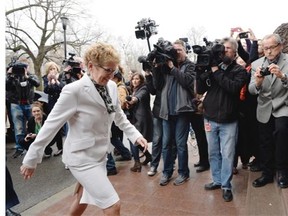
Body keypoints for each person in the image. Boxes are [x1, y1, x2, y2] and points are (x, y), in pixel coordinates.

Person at [20, 42, 148, 216]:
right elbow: (50, 125)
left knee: (81, 199)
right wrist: (31, 158)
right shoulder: (73, 91)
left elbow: (119, 116)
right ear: (90, 66)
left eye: (114, 71)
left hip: (100, 155)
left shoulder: (111, 87)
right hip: (81, 158)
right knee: (113, 205)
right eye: (107, 70)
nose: (111, 76)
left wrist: (135, 135)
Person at [197, 37, 247, 202]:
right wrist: (201, 72)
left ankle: (226, 185)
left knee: (227, 154)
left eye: (227, 48)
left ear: (234, 52)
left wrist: (216, 71)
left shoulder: (239, 71)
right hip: (210, 118)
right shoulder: (214, 67)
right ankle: (217, 180)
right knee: (213, 152)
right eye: (222, 49)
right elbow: (200, 88)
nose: (223, 51)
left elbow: (232, 88)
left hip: (229, 120)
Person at [248, 33, 288, 189]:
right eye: (266, 48)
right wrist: (258, 83)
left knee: (282, 133)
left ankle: (282, 172)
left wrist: (283, 76)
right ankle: (266, 174)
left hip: (283, 106)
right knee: (264, 141)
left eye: (272, 47)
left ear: (281, 46)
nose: (269, 51)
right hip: (264, 107)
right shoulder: (256, 64)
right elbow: (251, 90)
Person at [155, 39, 196, 186]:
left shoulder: (190, 65)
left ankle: (183, 173)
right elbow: (157, 86)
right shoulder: (166, 65)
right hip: (167, 110)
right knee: (166, 144)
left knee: (180, 143)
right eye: (174, 50)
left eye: (179, 50)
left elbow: (188, 82)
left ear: (185, 50)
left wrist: (173, 68)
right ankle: (166, 172)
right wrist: (156, 67)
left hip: (182, 111)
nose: (176, 52)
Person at [6, 58, 40, 158]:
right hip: (16, 104)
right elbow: (6, 87)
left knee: (33, 125)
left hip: (29, 104)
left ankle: (34, 146)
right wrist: (9, 75)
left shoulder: (31, 76)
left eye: (24, 66)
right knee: (18, 128)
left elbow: (37, 83)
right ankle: (19, 148)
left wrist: (27, 76)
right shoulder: (12, 77)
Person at [126, 72, 153, 172]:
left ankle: (137, 163)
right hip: (137, 118)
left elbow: (138, 97)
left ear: (141, 80)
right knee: (137, 140)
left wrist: (133, 100)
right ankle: (149, 156)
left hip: (142, 119)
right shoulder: (134, 89)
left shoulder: (144, 88)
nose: (134, 81)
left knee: (133, 139)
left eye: (137, 79)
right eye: (133, 79)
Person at [42, 61, 65, 156]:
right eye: (50, 69)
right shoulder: (46, 78)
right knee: (55, 126)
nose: (52, 71)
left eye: (53, 68)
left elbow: (64, 87)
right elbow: (46, 90)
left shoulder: (61, 76)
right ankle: (59, 147)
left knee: (64, 126)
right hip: (52, 104)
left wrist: (56, 81)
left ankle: (64, 148)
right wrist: (49, 82)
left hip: (62, 103)